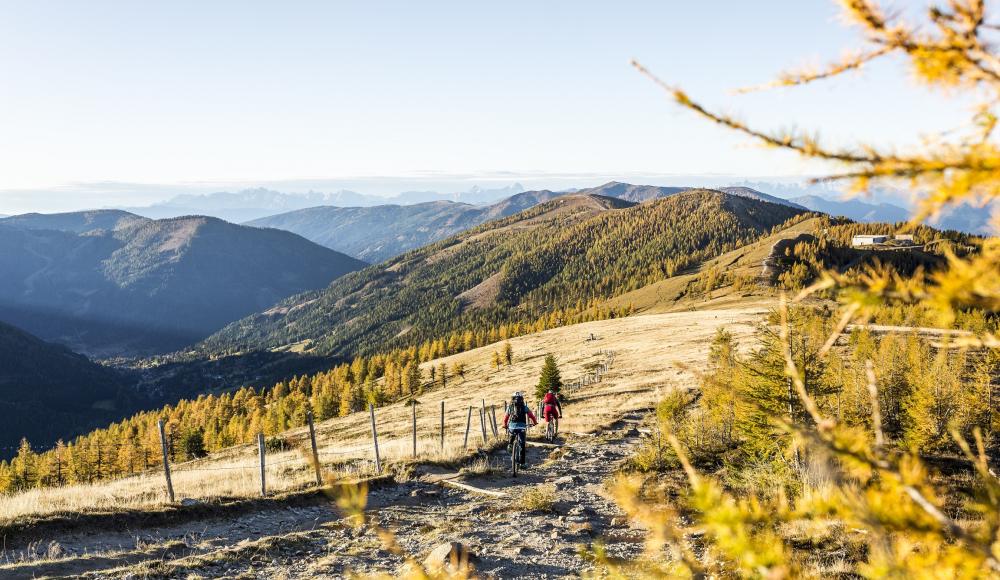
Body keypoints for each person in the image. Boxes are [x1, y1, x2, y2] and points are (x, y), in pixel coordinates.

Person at [503, 391, 537, 465]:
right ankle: (522, 464)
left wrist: (505, 425)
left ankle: (510, 444)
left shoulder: (510, 407)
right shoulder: (524, 407)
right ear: (522, 399)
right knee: (522, 444)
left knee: (512, 432)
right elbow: (531, 416)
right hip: (522, 426)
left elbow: (505, 418)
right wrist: (534, 423)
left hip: (512, 426)